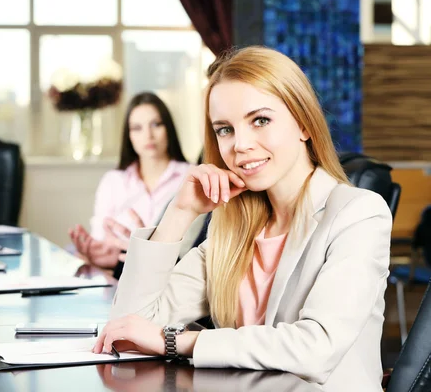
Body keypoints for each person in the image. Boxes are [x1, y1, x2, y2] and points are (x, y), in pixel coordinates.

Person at [93, 46, 392, 391]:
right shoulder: (232, 228)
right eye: (225, 129)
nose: (240, 144)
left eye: (260, 120)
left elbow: (316, 347)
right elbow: (128, 326)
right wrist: (180, 212)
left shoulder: (359, 214)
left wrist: (179, 342)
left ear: (304, 124)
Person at [69, 92, 191, 269]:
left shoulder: (191, 177)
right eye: (137, 128)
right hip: (118, 273)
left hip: (173, 274)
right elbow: (99, 240)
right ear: (129, 135)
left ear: (168, 129)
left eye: (156, 124)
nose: (148, 135)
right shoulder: (113, 181)